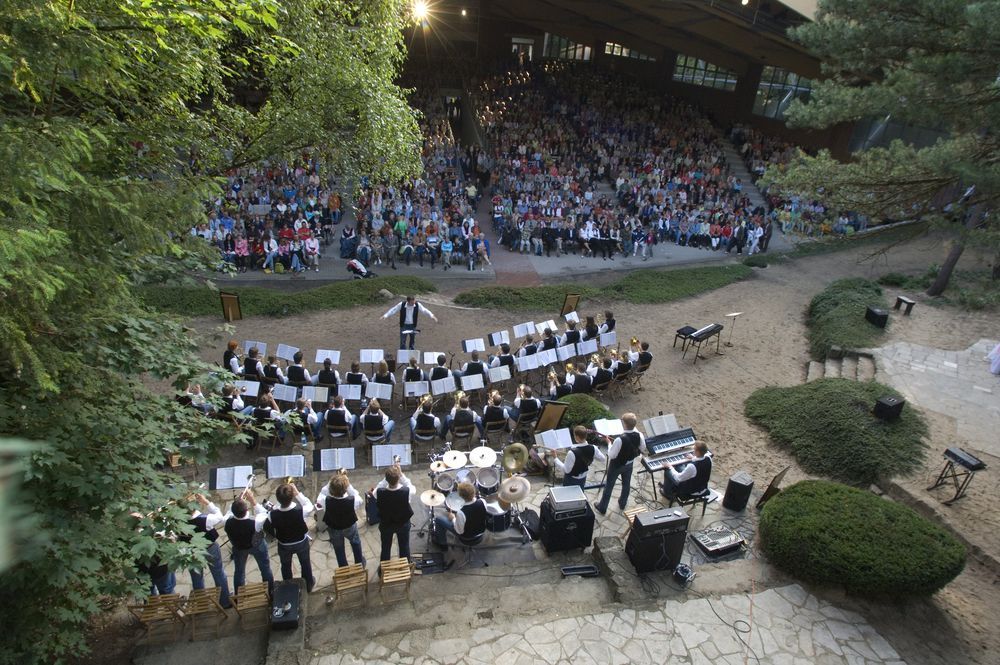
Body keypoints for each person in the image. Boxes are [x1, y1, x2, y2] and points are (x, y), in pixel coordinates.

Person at [265, 482, 316, 592]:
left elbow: (268, 525)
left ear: (278, 499)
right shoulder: (300, 510)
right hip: (301, 542)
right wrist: (297, 492)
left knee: (285, 566)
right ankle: (308, 584)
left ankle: (288, 586)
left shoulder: (272, 514)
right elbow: (309, 505)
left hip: (284, 544)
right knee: (305, 563)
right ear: (292, 496)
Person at [595, 413, 648, 515]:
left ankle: (602, 507)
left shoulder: (619, 439)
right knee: (626, 483)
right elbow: (642, 448)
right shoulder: (639, 435)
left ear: (624, 424)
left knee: (609, 486)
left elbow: (612, 455)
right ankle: (623, 503)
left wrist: (609, 443)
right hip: (629, 464)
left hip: (616, 465)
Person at [185, 494, 232, 609]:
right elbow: (219, 516)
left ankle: (202, 604)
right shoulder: (204, 519)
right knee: (218, 573)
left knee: (196, 577)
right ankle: (224, 601)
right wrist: (206, 502)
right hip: (209, 548)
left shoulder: (178, 523)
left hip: (191, 551)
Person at [315, 471, 366, 569]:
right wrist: (348, 483)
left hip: (334, 527)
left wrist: (332, 481)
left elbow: (321, 493)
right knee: (355, 542)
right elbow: (358, 497)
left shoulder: (325, 501)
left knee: (338, 548)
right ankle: (359, 563)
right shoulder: (353, 500)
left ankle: (343, 567)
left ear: (331, 489)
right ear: (345, 488)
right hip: (349, 526)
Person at [224, 495, 274, 593]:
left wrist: (237, 502)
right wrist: (252, 500)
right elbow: (264, 512)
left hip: (239, 548)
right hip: (257, 546)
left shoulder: (227, 521)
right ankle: (271, 591)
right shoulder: (255, 522)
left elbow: (230, 512)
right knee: (265, 568)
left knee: (239, 572)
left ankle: (239, 596)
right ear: (247, 510)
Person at [373, 463, 414, 562]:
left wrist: (387, 477)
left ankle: (383, 569)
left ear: (386, 479)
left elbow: (376, 490)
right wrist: (401, 474)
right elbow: (410, 485)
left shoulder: (380, 492)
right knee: (404, 546)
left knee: (386, 548)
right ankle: (405, 566)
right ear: (398, 478)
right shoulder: (407, 491)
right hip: (402, 523)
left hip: (386, 523)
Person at [433, 482, 487, 550]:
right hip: (480, 533)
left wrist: (453, 519)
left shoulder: (461, 513)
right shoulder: (483, 502)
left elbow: (459, 531)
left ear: (460, 496)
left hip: (467, 538)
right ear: (474, 492)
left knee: (438, 520)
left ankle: (442, 544)